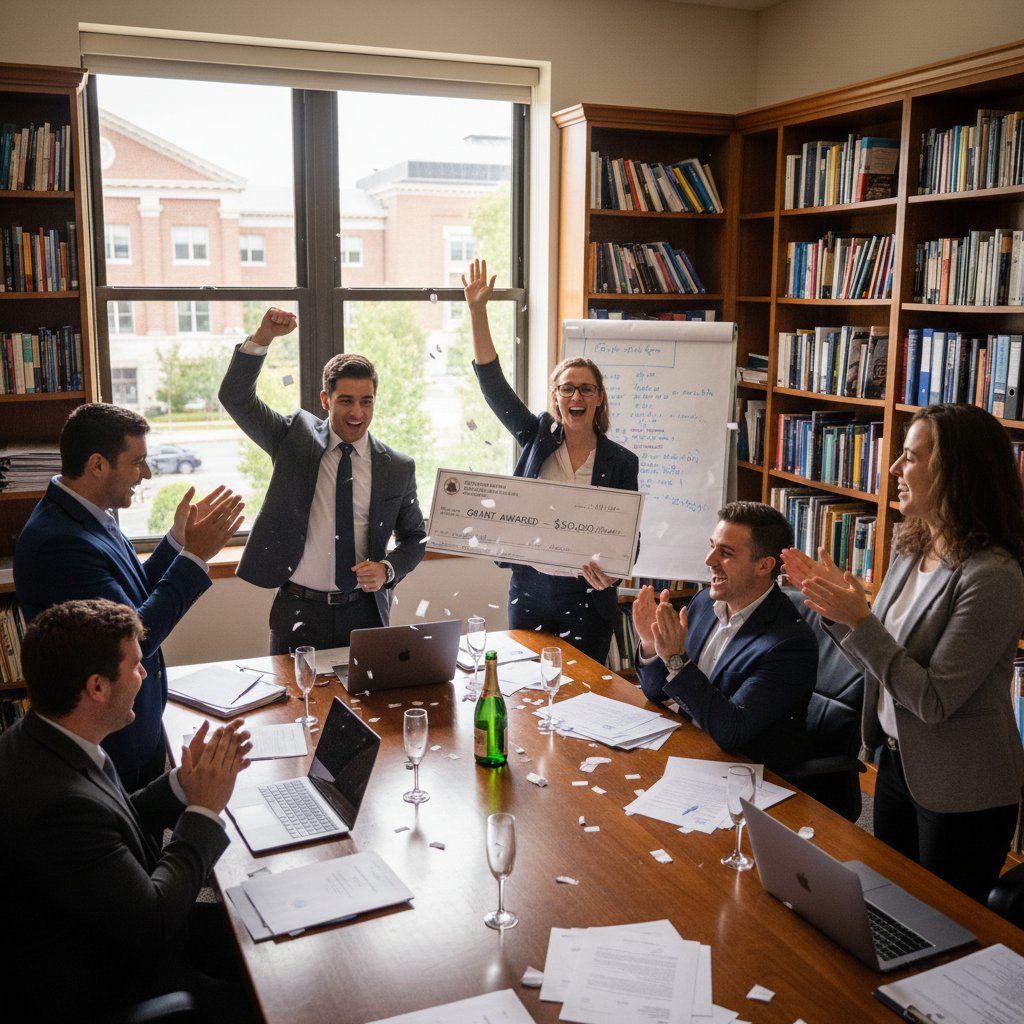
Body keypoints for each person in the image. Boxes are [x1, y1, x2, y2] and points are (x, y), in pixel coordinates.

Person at [782, 404, 1024, 903]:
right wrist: (835, 612)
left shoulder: (993, 576)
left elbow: (934, 701)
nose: (893, 468)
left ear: (955, 472)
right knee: (892, 905)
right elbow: (880, 665)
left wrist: (860, 620)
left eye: (910, 457)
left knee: (947, 928)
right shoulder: (910, 546)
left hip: (961, 786)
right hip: (895, 762)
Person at [0, 599, 255, 1023]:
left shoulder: (42, 738)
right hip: (119, 987)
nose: (146, 674)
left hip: (108, 933)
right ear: (97, 687)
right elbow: (155, 920)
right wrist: (205, 810)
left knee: (255, 920)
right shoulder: (57, 808)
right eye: (137, 664)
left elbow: (111, 821)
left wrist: (182, 786)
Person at [13, 403, 244, 788]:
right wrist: (195, 558)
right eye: (138, 462)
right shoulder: (58, 543)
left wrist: (177, 541)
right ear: (98, 464)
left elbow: (133, 593)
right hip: (114, 742)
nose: (147, 474)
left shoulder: (89, 513)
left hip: (140, 726)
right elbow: (134, 635)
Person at [219, 307, 427, 654]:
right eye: (345, 401)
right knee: (293, 705)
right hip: (298, 611)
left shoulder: (398, 467)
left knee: (365, 707)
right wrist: (263, 338)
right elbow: (236, 398)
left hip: (365, 613)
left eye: (366, 402)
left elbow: (416, 537)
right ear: (325, 399)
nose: (357, 413)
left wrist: (388, 569)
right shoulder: (292, 438)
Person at [462, 259, 640, 664]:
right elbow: (494, 387)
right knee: (523, 691)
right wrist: (477, 311)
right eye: (567, 389)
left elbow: (629, 536)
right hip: (530, 591)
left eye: (586, 389)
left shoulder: (621, 461)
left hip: (588, 596)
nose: (576, 397)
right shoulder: (536, 436)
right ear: (556, 397)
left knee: (583, 691)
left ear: (598, 399)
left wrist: (615, 571)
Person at [633, 501, 817, 772]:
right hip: (692, 750)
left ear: (764, 565)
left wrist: (674, 658)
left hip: (744, 774)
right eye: (711, 547)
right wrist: (652, 645)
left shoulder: (790, 644)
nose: (709, 561)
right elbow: (656, 691)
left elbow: (733, 731)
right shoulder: (704, 604)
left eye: (725, 553)